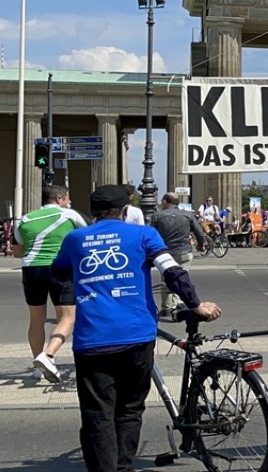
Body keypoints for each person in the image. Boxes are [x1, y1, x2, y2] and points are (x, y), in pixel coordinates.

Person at [52, 184, 221, 472]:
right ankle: (123, 467)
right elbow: (172, 271)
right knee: (130, 409)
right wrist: (194, 303)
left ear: (93, 212)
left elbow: (58, 274)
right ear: (125, 210)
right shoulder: (144, 235)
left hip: (93, 339)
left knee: (97, 414)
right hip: (138, 336)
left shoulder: (75, 239)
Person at [13, 185, 87, 382]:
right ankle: (48, 355)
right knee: (67, 318)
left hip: (31, 269)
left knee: (36, 319)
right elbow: (86, 238)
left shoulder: (24, 219)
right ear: (60, 199)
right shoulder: (70, 215)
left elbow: (17, 251)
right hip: (60, 267)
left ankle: (37, 364)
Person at [149, 192, 208, 318]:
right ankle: (179, 303)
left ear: (165, 201)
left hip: (165, 253)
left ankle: (167, 307)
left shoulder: (157, 216)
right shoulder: (188, 215)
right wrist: (200, 245)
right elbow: (199, 233)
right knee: (181, 276)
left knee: (166, 279)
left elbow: (151, 234)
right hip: (184, 252)